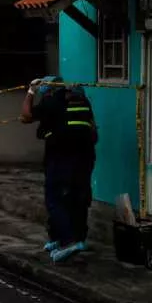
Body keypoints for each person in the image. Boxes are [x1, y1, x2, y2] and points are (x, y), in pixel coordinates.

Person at [21, 76, 97, 263]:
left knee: (55, 199)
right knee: (78, 197)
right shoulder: (82, 101)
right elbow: (93, 131)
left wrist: (30, 92)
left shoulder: (52, 102)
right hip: (85, 156)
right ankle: (73, 239)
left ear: (48, 91)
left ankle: (68, 241)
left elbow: (26, 116)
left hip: (61, 156)